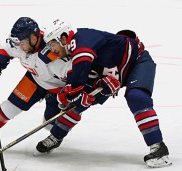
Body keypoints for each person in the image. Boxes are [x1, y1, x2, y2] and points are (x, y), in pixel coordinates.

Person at [36, 18, 172, 168]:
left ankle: (158, 148)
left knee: (137, 97)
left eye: (52, 44)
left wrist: (72, 93)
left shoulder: (81, 42)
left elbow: (79, 75)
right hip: (111, 72)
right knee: (79, 103)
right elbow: (85, 75)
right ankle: (56, 136)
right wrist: (93, 87)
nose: (51, 49)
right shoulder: (72, 49)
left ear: (63, 38)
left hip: (137, 61)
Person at [0, 17, 74, 153]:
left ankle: (56, 136)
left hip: (58, 89)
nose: (19, 47)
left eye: (22, 43)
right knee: (8, 108)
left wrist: (72, 91)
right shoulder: (20, 44)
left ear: (33, 38)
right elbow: (5, 48)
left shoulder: (53, 51)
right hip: (34, 80)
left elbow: (74, 73)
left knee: (49, 122)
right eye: (17, 43)